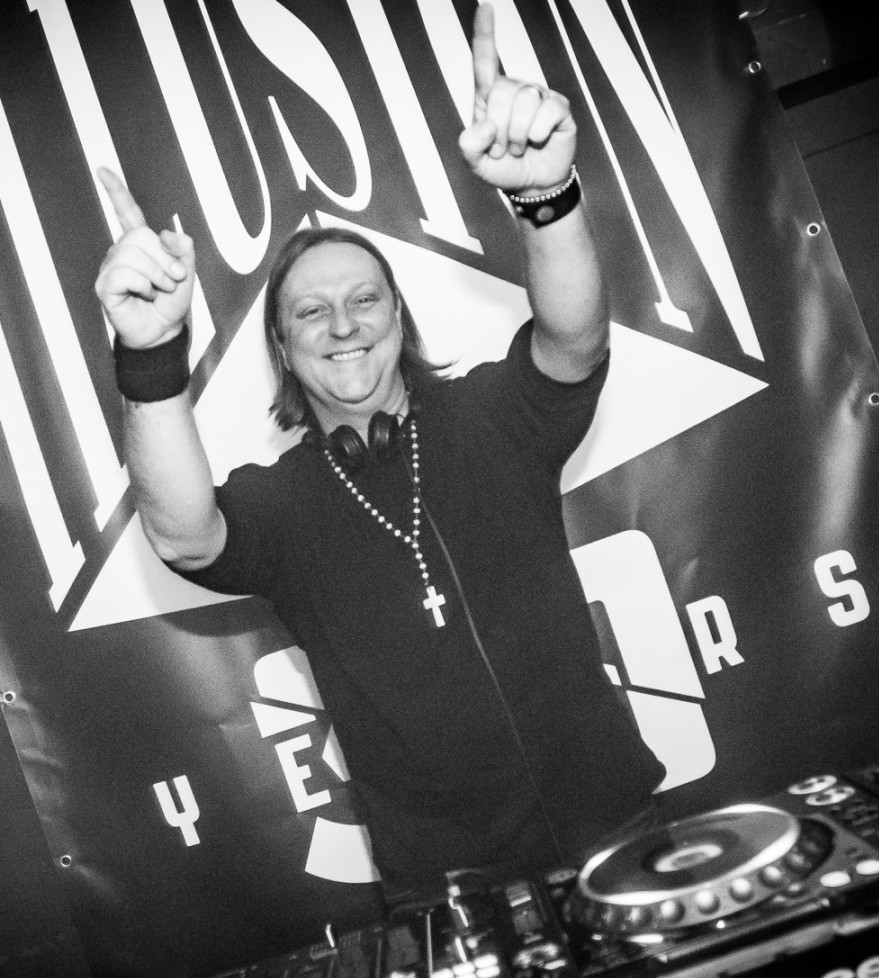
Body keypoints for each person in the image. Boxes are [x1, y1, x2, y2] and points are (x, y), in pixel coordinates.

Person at [95, 4, 664, 905]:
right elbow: (184, 535)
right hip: (448, 883)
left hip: (616, 818)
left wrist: (547, 198)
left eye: (364, 300)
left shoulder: (493, 418)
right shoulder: (283, 506)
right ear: (283, 350)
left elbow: (575, 339)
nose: (343, 325)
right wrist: (152, 358)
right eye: (311, 312)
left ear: (399, 318)